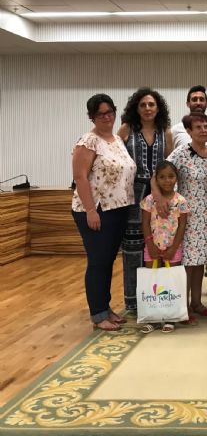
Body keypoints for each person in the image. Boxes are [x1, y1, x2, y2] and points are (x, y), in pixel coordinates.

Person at [72, 93, 136, 331]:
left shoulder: (116, 139)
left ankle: (106, 307)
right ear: (92, 116)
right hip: (96, 209)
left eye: (110, 112)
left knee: (108, 261)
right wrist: (90, 210)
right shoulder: (88, 141)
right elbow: (79, 177)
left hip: (118, 208)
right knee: (98, 262)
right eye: (101, 113)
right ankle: (98, 315)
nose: (107, 117)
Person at [118, 87, 173, 314]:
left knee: (159, 244)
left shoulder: (165, 132)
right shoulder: (126, 129)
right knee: (132, 247)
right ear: (136, 108)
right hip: (132, 195)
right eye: (143, 105)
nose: (147, 108)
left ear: (158, 108)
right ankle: (133, 301)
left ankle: (157, 297)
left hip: (160, 194)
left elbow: (169, 165)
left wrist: (164, 192)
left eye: (151, 104)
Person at [166, 112, 207, 323]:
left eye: (206, 126)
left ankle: (197, 302)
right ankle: (182, 306)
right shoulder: (181, 153)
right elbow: (163, 172)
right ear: (189, 131)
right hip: (187, 215)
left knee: (201, 261)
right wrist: (163, 199)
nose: (203, 130)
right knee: (187, 262)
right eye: (198, 127)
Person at [139, 160, 189, 334]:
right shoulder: (149, 200)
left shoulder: (181, 201)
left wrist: (174, 248)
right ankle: (152, 317)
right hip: (151, 248)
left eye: (171, 176)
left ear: (176, 178)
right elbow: (145, 223)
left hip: (172, 248)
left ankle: (170, 317)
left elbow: (182, 226)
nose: (167, 181)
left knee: (171, 281)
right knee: (152, 282)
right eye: (162, 177)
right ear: (156, 180)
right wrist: (149, 243)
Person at [171, 85, 207, 150]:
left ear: (206, 104)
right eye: (194, 99)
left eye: (201, 99)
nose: (198, 103)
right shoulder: (175, 130)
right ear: (188, 104)